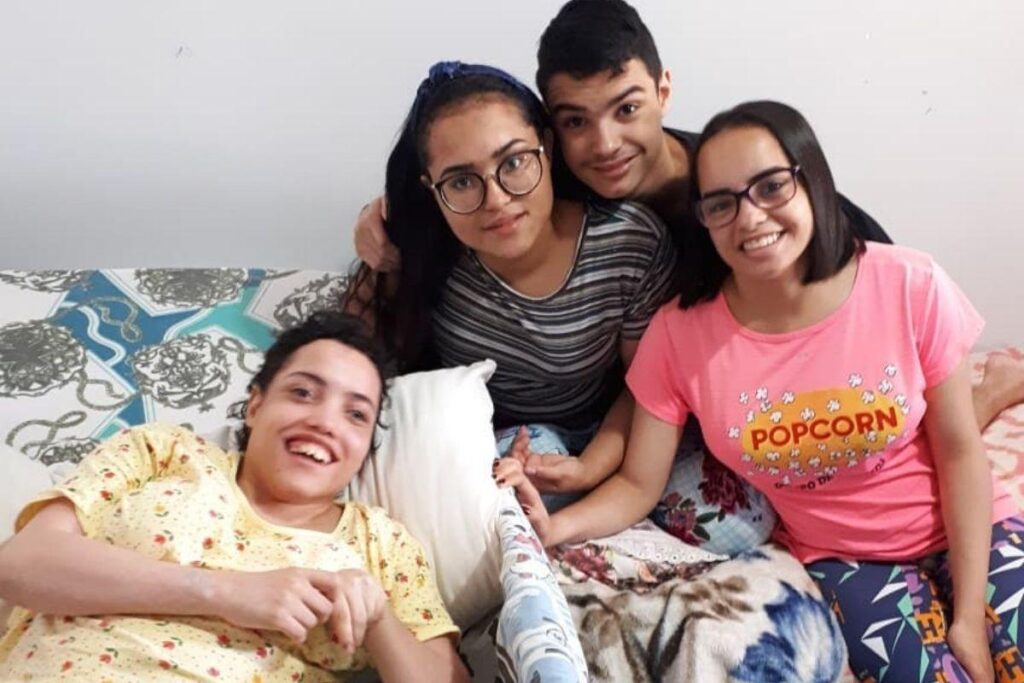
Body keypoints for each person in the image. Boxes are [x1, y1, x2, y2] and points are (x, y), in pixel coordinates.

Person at [507, 99, 1023, 680]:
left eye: (771, 186)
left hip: (970, 528)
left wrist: (969, 619)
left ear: (812, 181)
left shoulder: (910, 283)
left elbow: (959, 450)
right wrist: (555, 527)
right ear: (703, 218)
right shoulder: (679, 335)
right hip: (845, 560)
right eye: (721, 204)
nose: (750, 218)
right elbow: (637, 484)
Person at [352, 0, 1024, 440]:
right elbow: (464, 177)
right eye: (576, 121)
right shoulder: (543, 184)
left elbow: (864, 275)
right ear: (551, 134)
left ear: (663, 90)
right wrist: (383, 218)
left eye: (627, 108)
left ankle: (981, 399)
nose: (605, 144)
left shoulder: (734, 188)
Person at [0, 311, 469, 683]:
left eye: (356, 415)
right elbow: (21, 563)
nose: (325, 422)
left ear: (366, 447)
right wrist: (226, 592)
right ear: (255, 405)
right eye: (303, 392)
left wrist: (379, 620)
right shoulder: (162, 451)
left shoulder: (381, 545)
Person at [343, 60, 678, 511]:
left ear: (547, 148)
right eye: (462, 181)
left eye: (514, 162)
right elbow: (350, 352)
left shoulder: (628, 243)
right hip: (479, 431)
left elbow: (646, 386)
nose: (497, 200)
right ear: (432, 188)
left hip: (602, 434)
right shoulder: (423, 245)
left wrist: (591, 466)